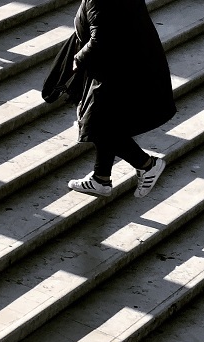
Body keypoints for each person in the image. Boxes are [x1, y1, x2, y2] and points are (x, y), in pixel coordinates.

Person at [67, 0, 176, 198]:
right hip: (127, 65)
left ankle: (146, 164)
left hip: (122, 70)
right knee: (106, 119)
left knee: (99, 124)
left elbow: (101, 38)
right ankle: (101, 178)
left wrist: (78, 59)